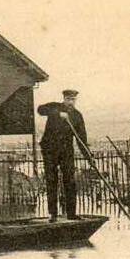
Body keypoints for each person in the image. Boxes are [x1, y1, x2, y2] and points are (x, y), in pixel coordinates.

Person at [37, 89, 91, 221]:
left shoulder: (77, 116)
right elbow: (40, 110)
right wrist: (57, 114)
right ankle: (52, 214)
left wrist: (89, 157)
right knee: (51, 180)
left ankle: (71, 214)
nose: (70, 102)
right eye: (68, 99)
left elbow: (81, 139)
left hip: (66, 151)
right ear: (64, 98)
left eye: (73, 100)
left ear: (75, 100)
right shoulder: (54, 106)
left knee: (70, 181)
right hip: (50, 150)